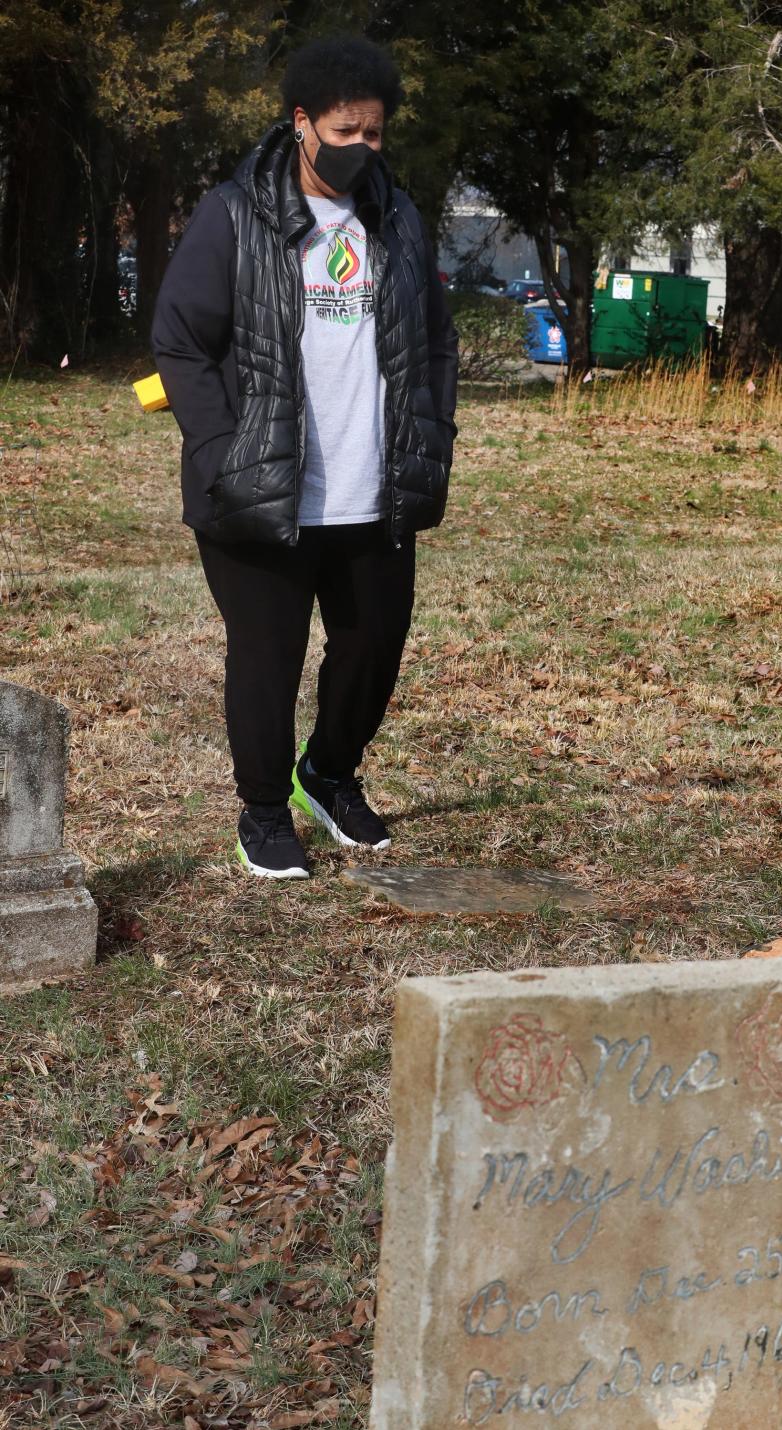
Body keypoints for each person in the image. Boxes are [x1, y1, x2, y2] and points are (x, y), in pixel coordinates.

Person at [152, 36, 458, 879]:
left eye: (378, 133)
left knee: (373, 646)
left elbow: (436, 341)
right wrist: (221, 449)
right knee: (268, 652)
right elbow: (178, 339)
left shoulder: (396, 218)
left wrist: (434, 433)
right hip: (264, 491)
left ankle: (328, 771)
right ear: (301, 123)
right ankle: (262, 809)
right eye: (348, 129)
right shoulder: (233, 214)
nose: (365, 146)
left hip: (373, 485)